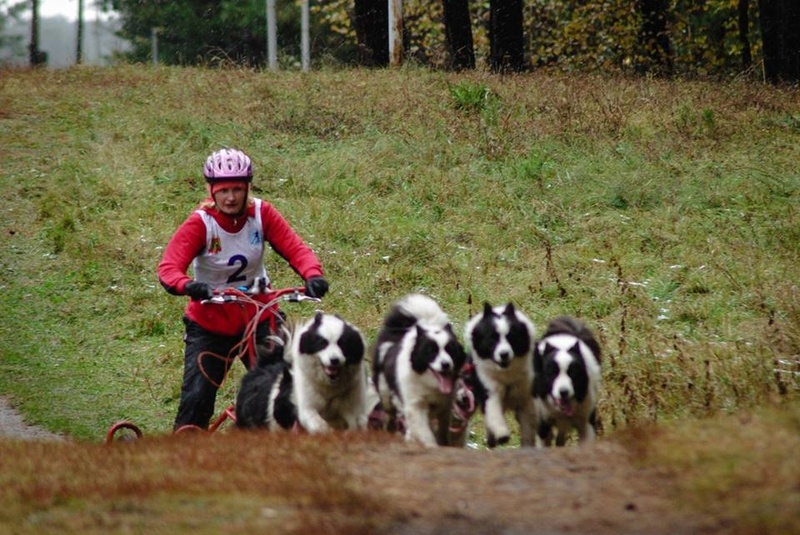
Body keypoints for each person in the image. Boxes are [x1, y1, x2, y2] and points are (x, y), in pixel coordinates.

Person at [158, 148, 328, 431]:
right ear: (211, 191)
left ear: (248, 187)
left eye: (238, 189)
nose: (231, 197)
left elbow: (295, 248)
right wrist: (188, 285)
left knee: (289, 387)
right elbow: (169, 267)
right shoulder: (201, 223)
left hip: (260, 316)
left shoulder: (262, 213)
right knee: (197, 396)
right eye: (223, 190)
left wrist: (312, 274)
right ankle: (184, 453)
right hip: (210, 324)